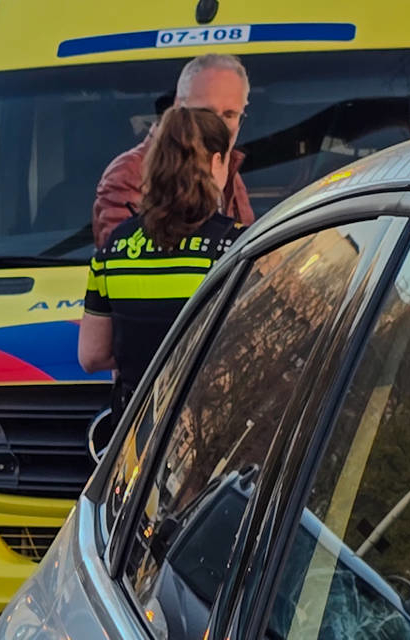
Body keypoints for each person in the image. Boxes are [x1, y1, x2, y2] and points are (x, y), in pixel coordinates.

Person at [80, 106, 241, 415]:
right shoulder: (233, 247)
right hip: (210, 424)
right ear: (216, 161)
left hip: (136, 426)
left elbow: (92, 356)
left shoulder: (114, 248)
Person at [93, 54, 256, 249]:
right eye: (206, 113)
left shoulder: (230, 171)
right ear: (178, 106)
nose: (217, 125)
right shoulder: (130, 173)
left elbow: (247, 253)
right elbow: (123, 256)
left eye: (229, 115)